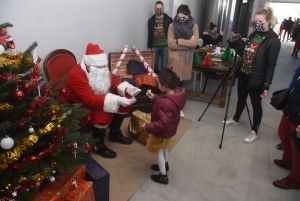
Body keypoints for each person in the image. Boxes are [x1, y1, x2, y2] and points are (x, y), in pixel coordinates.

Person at [66, 43, 141, 158]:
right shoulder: (76, 74)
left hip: (96, 98)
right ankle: (98, 145)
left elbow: (113, 82)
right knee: (104, 113)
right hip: (80, 104)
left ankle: (114, 133)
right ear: (89, 65)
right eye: (99, 67)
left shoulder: (101, 69)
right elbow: (90, 100)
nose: (102, 70)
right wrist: (117, 99)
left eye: (103, 67)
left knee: (126, 97)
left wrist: (129, 89)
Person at [222, 7, 281, 143]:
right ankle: (236, 118)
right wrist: (237, 46)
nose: (257, 24)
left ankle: (254, 130)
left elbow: (270, 65)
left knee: (255, 104)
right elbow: (245, 52)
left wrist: (266, 85)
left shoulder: (273, 41)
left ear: (268, 21)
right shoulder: (254, 34)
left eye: (259, 21)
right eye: (255, 22)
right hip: (243, 73)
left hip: (257, 77)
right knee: (241, 98)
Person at [141, 67, 186, 185]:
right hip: (169, 131)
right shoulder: (174, 95)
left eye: (159, 84)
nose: (158, 85)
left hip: (162, 132)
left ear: (165, 86)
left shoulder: (165, 103)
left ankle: (163, 176)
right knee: (164, 148)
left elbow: (162, 123)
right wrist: (154, 98)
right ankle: (165, 165)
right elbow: (163, 102)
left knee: (159, 152)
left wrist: (147, 126)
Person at [167, 4, 198, 117]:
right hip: (174, 61)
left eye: (183, 18)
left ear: (188, 15)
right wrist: (187, 43)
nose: (180, 20)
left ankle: (179, 108)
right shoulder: (172, 26)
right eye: (179, 17)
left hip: (186, 61)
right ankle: (170, 107)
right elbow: (170, 44)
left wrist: (178, 41)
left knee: (182, 87)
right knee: (172, 86)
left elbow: (194, 43)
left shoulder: (194, 26)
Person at [273, 65, 300, 189]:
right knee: (283, 133)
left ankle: (295, 179)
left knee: (297, 147)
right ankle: (288, 160)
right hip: (292, 107)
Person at [147, 1, 173, 74]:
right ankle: (158, 77)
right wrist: (149, 47)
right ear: (154, 8)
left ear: (163, 8)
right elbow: (149, 34)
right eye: (157, 8)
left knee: (164, 66)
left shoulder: (169, 19)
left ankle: (163, 82)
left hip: (165, 46)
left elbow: (172, 33)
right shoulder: (151, 20)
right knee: (153, 65)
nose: (158, 10)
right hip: (154, 46)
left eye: (160, 8)